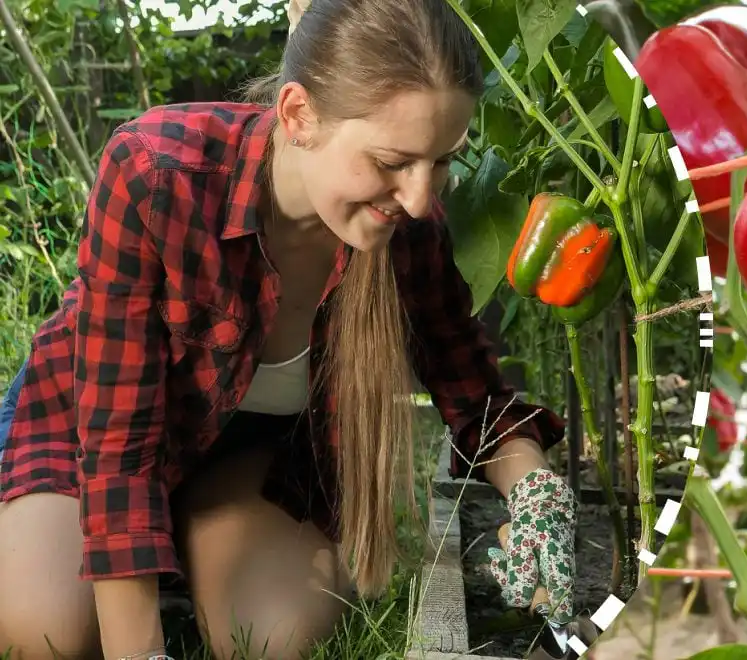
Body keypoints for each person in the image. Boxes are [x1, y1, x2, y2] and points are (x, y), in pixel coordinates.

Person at [0, 0, 580, 658]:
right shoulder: (158, 174)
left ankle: (194, 545)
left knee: (275, 639)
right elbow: (119, 445)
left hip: (244, 459)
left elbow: (475, 397)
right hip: (88, 431)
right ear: (300, 115)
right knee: (47, 634)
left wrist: (535, 491)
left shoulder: (408, 233)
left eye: (442, 161)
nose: (420, 199)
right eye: (392, 161)